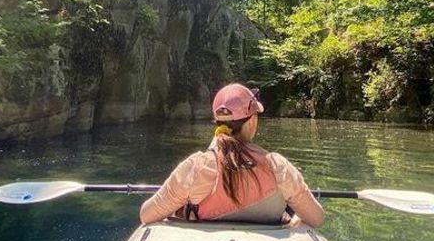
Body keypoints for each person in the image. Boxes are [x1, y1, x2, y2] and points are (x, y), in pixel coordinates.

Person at [139, 83, 325, 227]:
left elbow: (146, 215)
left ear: (217, 122)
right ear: (252, 120)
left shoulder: (196, 167)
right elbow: (316, 218)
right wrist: (294, 223)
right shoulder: (278, 166)